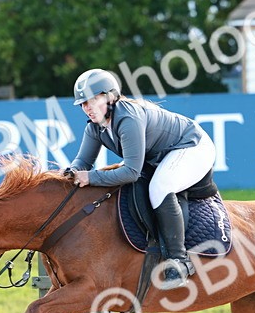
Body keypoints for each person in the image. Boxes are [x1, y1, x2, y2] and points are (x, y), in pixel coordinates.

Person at [66, 68, 215, 289]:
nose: (86, 108)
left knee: (160, 187)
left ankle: (180, 261)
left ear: (109, 97)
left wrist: (90, 177)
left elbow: (130, 172)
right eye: (83, 104)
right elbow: (82, 163)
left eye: (92, 100)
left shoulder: (127, 118)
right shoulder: (95, 128)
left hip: (192, 146)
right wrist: (67, 175)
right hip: (163, 156)